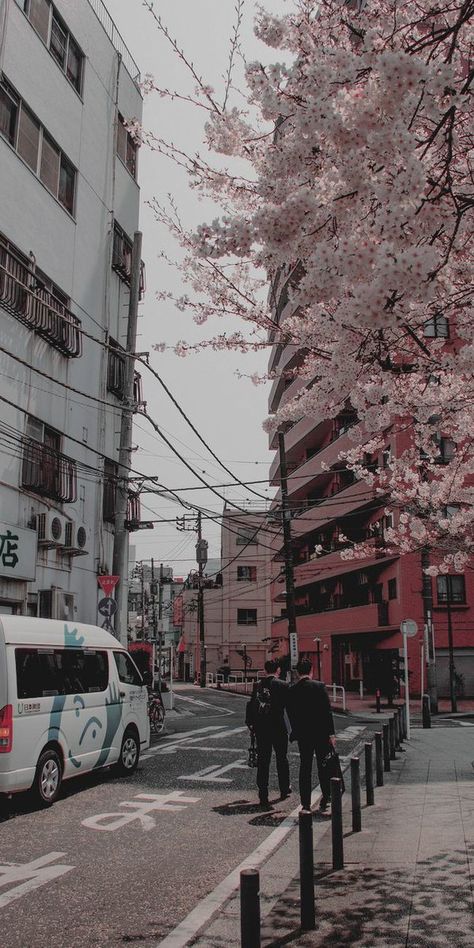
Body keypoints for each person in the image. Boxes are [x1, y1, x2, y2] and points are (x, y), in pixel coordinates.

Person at [286, 657, 336, 812]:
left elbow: (290, 712)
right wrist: (331, 734)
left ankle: (305, 803)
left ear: (297, 672)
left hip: (303, 734)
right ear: (311, 670)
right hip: (320, 733)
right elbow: (327, 712)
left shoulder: (292, 690)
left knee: (305, 767)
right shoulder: (319, 686)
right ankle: (326, 798)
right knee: (324, 766)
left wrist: (295, 730)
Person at [245, 659, 291, 808]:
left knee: (264, 761)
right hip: (278, 727)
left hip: (262, 728)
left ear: (265, 670)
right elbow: (289, 708)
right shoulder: (283, 685)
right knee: (281, 758)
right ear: (278, 670)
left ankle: (263, 793)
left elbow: (251, 705)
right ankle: (284, 789)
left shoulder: (258, 685)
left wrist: (251, 724)